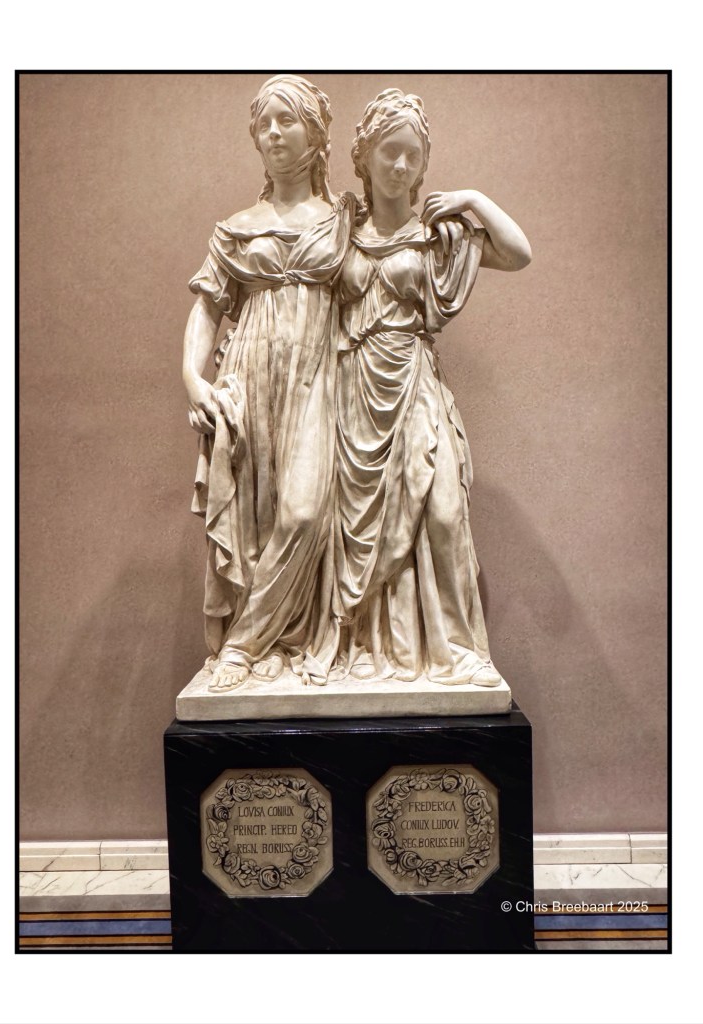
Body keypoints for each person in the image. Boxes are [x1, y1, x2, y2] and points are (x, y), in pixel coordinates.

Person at [332, 89, 531, 685]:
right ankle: (372, 648)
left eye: (412, 157)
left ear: (423, 167)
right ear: (364, 157)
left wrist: (472, 199)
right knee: (357, 529)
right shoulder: (339, 232)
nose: (400, 166)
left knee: (443, 512)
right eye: (389, 152)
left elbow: (518, 253)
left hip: (414, 381)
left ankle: (457, 650)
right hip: (352, 390)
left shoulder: (437, 235)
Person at [183, 75, 354, 691]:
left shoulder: (343, 221)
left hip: (320, 377)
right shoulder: (237, 226)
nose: (274, 133)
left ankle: (244, 644)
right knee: (257, 518)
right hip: (250, 376)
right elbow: (208, 306)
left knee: (304, 511)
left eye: (287, 120)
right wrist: (192, 379)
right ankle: (269, 646)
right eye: (264, 124)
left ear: (316, 133)